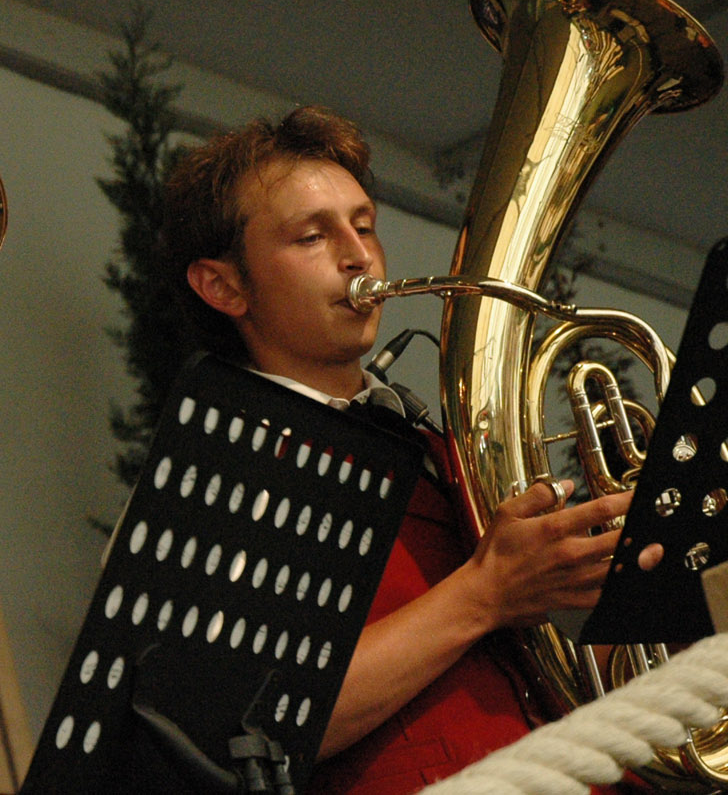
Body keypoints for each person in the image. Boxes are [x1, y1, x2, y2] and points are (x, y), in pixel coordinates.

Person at [161, 106, 635, 795]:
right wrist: (485, 592)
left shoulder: (439, 450)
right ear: (223, 285)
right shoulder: (217, 474)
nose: (359, 255)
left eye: (363, 225)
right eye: (312, 236)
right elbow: (250, 720)